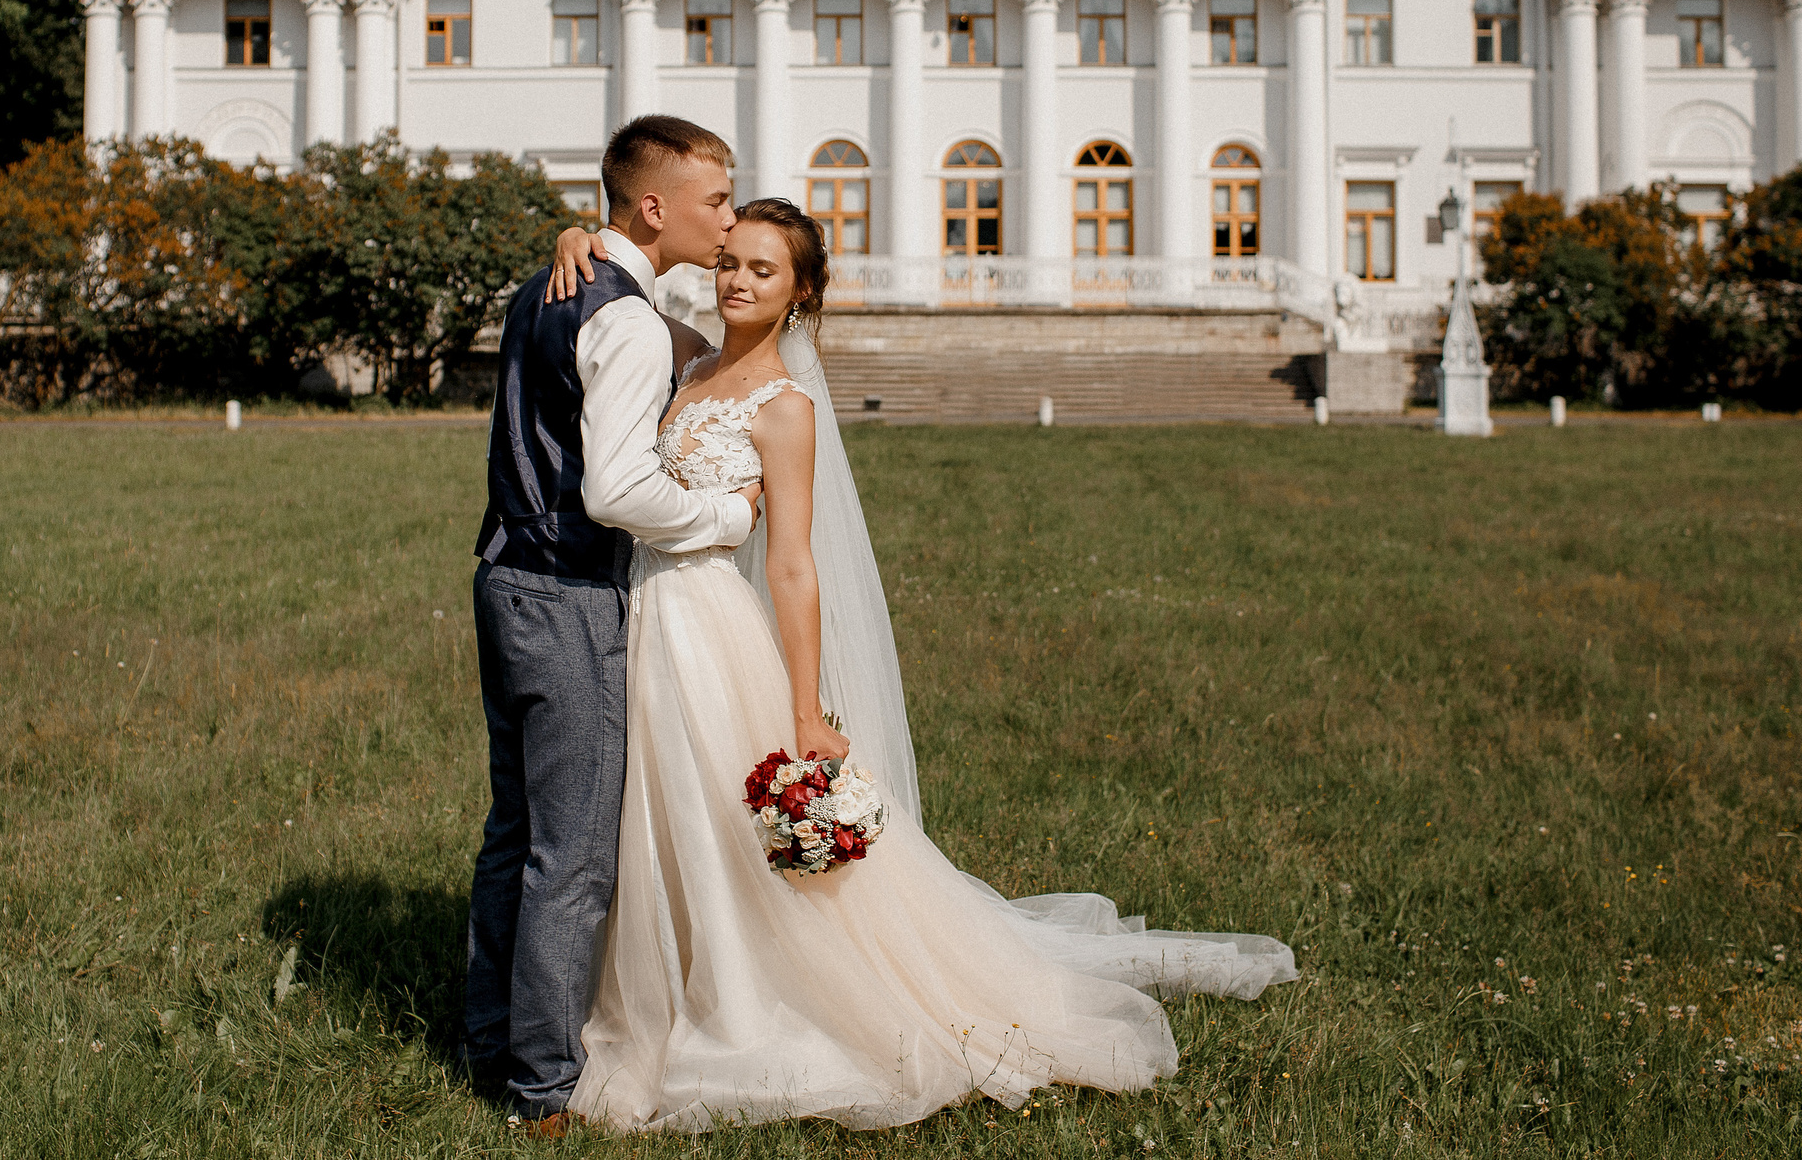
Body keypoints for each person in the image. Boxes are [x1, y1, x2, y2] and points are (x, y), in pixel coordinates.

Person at [545, 201, 1297, 1133]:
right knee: (659, 814)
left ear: (802, 291)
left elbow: (791, 563)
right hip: (644, 615)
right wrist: (579, 237)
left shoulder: (784, 407)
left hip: (708, 626)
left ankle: (740, 1006)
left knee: (715, 821)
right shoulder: (689, 354)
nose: (737, 279)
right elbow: (620, 286)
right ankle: (673, 967)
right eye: (730, 261)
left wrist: (806, 704)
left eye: (763, 270)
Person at [465, 115, 764, 1127]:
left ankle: (487, 1038)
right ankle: (541, 1085)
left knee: (514, 832)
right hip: (567, 594)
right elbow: (618, 488)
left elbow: (676, 344)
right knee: (574, 852)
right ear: (653, 207)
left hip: (500, 579)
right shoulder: (624, 317)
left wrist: (574, 237)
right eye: (715, 199)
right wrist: (724, 517)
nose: (725, 219)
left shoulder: (553, 288)